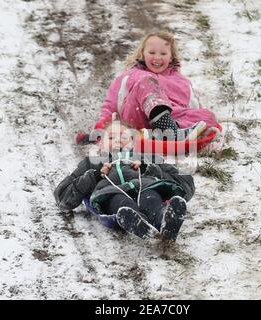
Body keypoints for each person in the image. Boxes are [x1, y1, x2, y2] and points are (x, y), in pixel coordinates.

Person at [55, 121, 195, 241]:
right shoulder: (92, 163)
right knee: (121, 202)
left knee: (150, 197)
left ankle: (165, 221)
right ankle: (137, 222)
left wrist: (149, 169)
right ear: (100, 145)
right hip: (111, 192)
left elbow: (184, 183)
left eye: (123, 136)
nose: (117, 140)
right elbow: (62, 197)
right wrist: (96, 175)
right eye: (110, 137)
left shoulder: (147, 157)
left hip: (145, 187)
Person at [77, 31, 221, 144]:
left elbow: (194, 108)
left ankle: (164, 133)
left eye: (163, 54)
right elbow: (110, 105)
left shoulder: (182, 82)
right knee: (147, 82)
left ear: (171, 57)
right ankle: (171, 132)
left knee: (208, 115)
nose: (157, 57)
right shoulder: (132, 75)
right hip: (137, 118)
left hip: (172, 119)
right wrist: (102, 128)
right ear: (142, 54)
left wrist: (202, 119)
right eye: (152, 53)